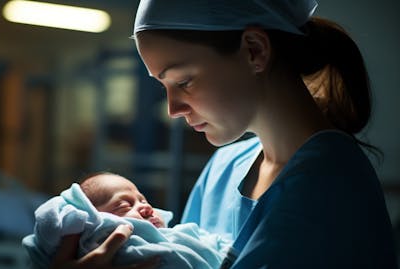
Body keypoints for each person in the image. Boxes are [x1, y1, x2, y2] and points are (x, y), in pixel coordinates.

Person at [51, 0, 398, 268]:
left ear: (254, 51)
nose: (173, 110)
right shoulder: (226, 165)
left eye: (184, 81)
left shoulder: (328, 187)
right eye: (164, 86)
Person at [22, 172, 231, 269]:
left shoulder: (176, 235)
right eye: (124, 206)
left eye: (143, 199)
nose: (145, 206)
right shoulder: (99, 236)